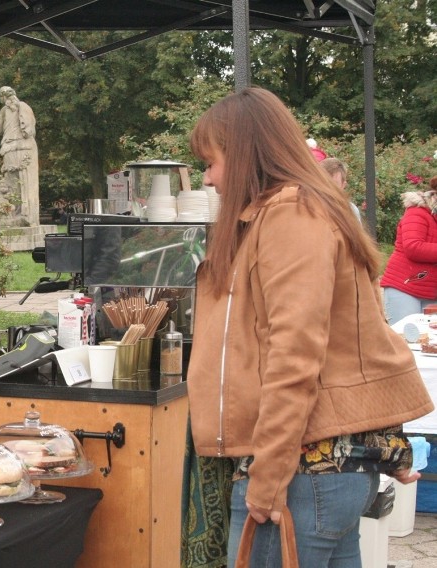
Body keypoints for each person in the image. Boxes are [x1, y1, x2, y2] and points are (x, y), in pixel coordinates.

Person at [186, 87, 433, 567]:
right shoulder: (295, 210)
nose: (209, 178)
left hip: (303, 470)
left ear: (243, 156)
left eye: (212, 162)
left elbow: (294, 354)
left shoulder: (290, 214)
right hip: (319, 470)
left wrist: (269, 474)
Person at [380, 176, 437, 324]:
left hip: (431, 290)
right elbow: (413, 247)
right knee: (406, 343)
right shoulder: (418, 212)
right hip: (404, 288)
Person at [0, 86, 39, 227]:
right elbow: (29, 130)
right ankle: (23, 214)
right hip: (22, 147)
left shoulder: (6, 110)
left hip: (10, 147)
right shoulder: (23, 107)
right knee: (23, 182)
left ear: (3, 97)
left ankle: (18, 215)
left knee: (14, 182)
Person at [319, 157, 362, 224]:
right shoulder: (307, 209)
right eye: (324, 182)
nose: (328, 188)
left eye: (334, 184)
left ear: (343, 185)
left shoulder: (351, 211)